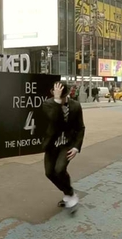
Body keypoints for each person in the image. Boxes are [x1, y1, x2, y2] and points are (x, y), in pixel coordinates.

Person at [42, 82, 85, 212]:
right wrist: (56, 100)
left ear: (67, 94)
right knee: (49, 173)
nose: (61, 99)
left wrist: (76, 147)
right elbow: (53, 119)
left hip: (67, 145)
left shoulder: (76, 106)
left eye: (63, 96)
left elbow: (80, 128)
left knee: (59, 169)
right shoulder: (48, 104)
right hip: (52, 145)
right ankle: (68, 192)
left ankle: (70, 194)